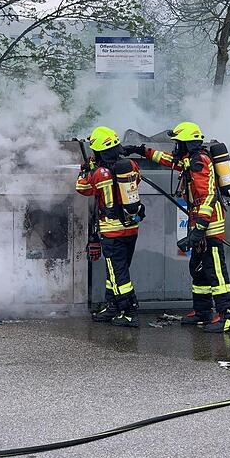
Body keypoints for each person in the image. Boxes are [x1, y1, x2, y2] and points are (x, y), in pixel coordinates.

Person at [123, 121, 230, 333]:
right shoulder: (189, 160)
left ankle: (226, 317)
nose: (176, 146)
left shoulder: (199, 162)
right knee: (198, 268)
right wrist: (141, 150)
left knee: (216, 272)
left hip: (209, 225)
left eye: (178, 142)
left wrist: (200, 228)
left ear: (187, 143)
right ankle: (202, 312)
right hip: (199, 223)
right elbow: (168, 160)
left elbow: (208, 196)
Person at [75, 126, 143, 327]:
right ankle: (112, 306)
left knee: (119, 274)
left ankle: (129, 312)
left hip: (112, 231)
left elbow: (82, 188)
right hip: (131, 227)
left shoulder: (100, 173)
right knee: (115, 271)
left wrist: (85, 169)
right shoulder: (130, 166)